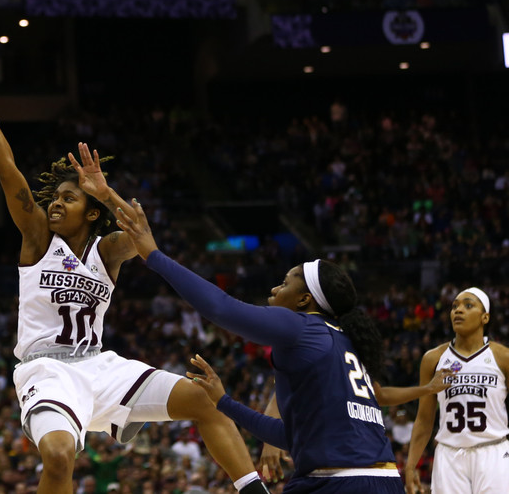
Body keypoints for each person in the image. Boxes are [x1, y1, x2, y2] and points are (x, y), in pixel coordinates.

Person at [0, 54, 269, 494]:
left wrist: (106, 191)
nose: (55, 203)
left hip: (100, 365)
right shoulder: (39, 239)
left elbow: (141, 236)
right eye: (54, 197)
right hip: (47, 371)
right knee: (58, 457)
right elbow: (8, 172)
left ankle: (255, 489)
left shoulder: (107, 251)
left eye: (68, 198)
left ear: (92, 212)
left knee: (205, 400)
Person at [113, 200, 436, 493]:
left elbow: (221, 308)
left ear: (304, 299)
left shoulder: (301, 325)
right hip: (382, 480)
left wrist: (153, 256)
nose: (273, 287)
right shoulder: (345, 341)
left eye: (284, 283)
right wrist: (223, 401)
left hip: (337, 481)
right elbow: (290, 439)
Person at [404, 287, 509, 494]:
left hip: (494, 452)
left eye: (468, 305)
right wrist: (410, 465)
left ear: (484, 317)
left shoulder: (502, 357)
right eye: (454, 307)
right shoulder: (433, 359)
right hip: (449, 456)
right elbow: (425, 419)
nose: (458, 310)